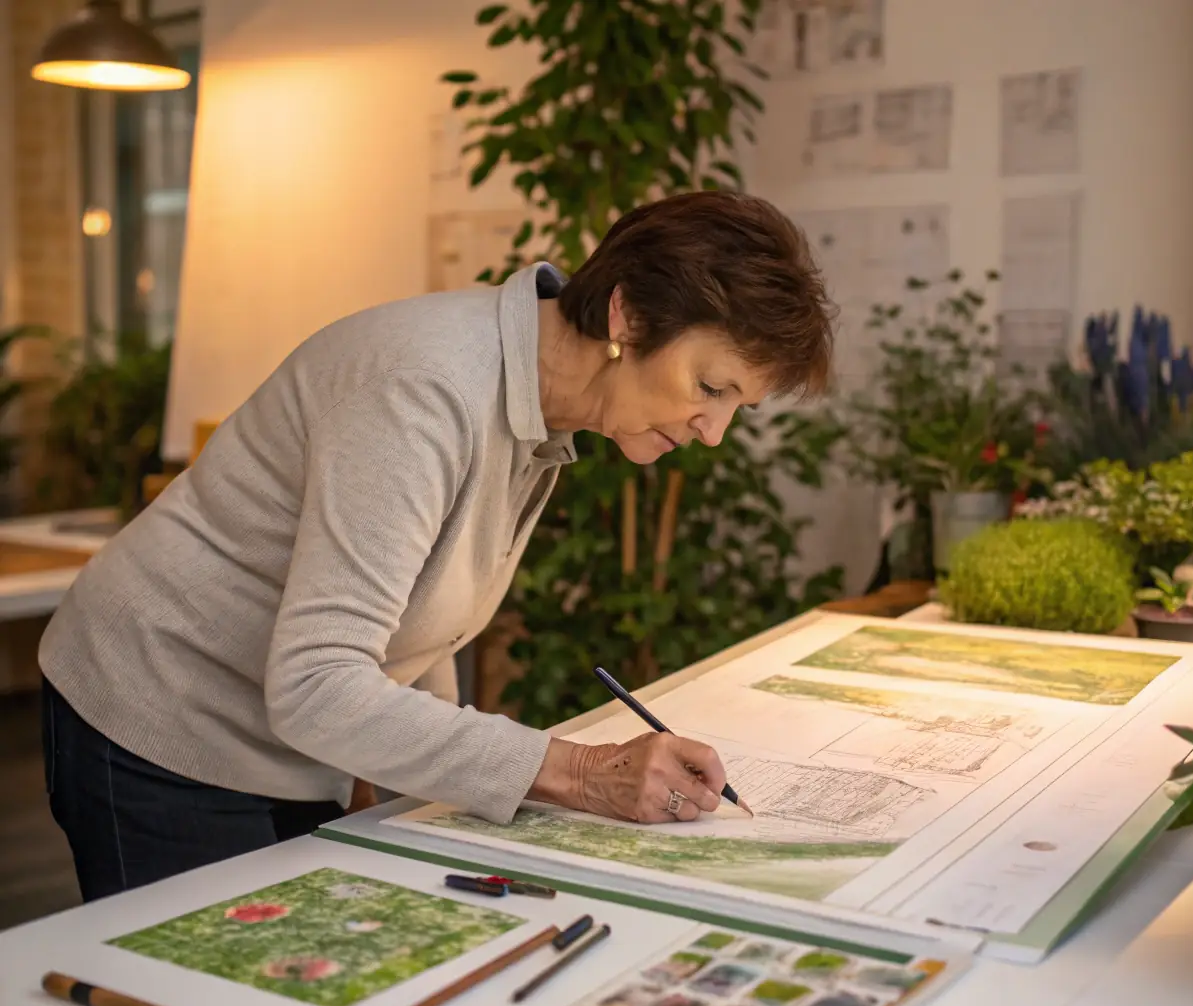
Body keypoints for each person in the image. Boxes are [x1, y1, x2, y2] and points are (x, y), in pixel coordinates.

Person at [38, 190, 835, 901]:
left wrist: (410, 795)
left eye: (737, 407)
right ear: (626, 317)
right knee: (211, 986)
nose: (712, 432)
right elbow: (317, 686)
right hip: (163, 705)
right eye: (710, 387)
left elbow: (419, 615)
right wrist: (581, 772)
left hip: (278, 727)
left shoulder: (545, 400)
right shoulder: (424, 389)